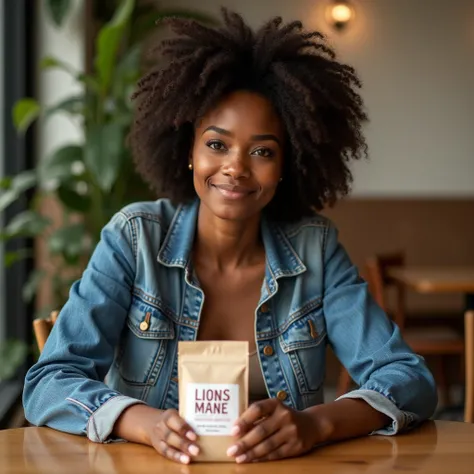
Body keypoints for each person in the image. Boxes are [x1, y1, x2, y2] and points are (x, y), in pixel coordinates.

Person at [23, 8, 437, 465]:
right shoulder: (133, 239)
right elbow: (48, 383)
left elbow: (409, 380)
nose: (236, 168)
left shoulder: (314, 250)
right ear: (189, 151)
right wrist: (145, 423)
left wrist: (315, 424)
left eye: (262, 151)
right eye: (217, 144)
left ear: (286, 168)